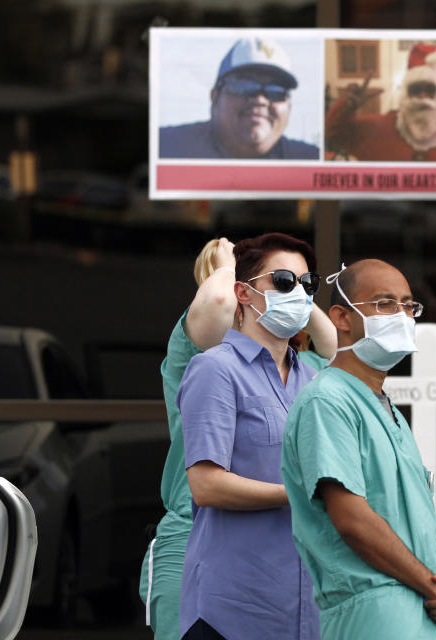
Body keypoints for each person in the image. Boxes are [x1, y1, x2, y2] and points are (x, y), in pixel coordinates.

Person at [138, 237, 335, 640]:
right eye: (281, 282)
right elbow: (216, 307)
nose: (295, 292)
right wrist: (229, 265)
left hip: (287, 572)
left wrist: (295, 287)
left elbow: (339, 349)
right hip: (207, 553)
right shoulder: (203, 357)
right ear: (237, 292)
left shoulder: (305, 371)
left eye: (306, 284)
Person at [281, 260, 436, 640]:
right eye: (384, 304)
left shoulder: (385, 408)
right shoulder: (328, 400)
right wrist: (431, 585)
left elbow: (413, 521)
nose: (401, 316)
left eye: (408, 305)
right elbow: (353, 520)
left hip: (417, 611)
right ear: (342, 318)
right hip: (372, 615)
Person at [159, 36, 319, 159]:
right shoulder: (165, 146)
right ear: (215, 98)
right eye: (244, 86)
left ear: (289, 106)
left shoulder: (311, 158)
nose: (260, 100)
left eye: (276, 91)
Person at [325, 44, 436, 162]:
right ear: (405, 94)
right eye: (415, 89)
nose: (422, 96)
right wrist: (348, 105)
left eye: (429, 89)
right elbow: (334, 133)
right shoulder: (377, 128)